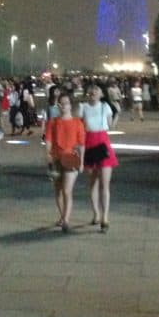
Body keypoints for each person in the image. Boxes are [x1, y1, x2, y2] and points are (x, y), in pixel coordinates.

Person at [80, 83, 118, 232]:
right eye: (91, 90)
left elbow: (111, 125)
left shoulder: (105, 107)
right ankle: (96, 213)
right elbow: (79, 126)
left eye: (96, 90)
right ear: (87, 93)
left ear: (101, 94)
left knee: (105, 183)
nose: (93, 92)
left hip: (103, 142)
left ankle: (105, 217)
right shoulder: (83, 107)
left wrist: (117, 115)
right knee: (93, 182)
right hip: (88, 142)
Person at [45, 92, 85, 232]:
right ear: (58, 105)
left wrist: (81, 162)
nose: (63, 106)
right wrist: (47, 155)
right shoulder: (52, 122)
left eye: (66, 103)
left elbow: (81, 144)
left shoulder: (77, 122)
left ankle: (66, 220)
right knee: (58, 191)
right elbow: (48, 140)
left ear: (70, 105)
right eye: (61, 103)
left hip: (71, 159)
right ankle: (62, 216)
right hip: (56, 159)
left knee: (67, 190)